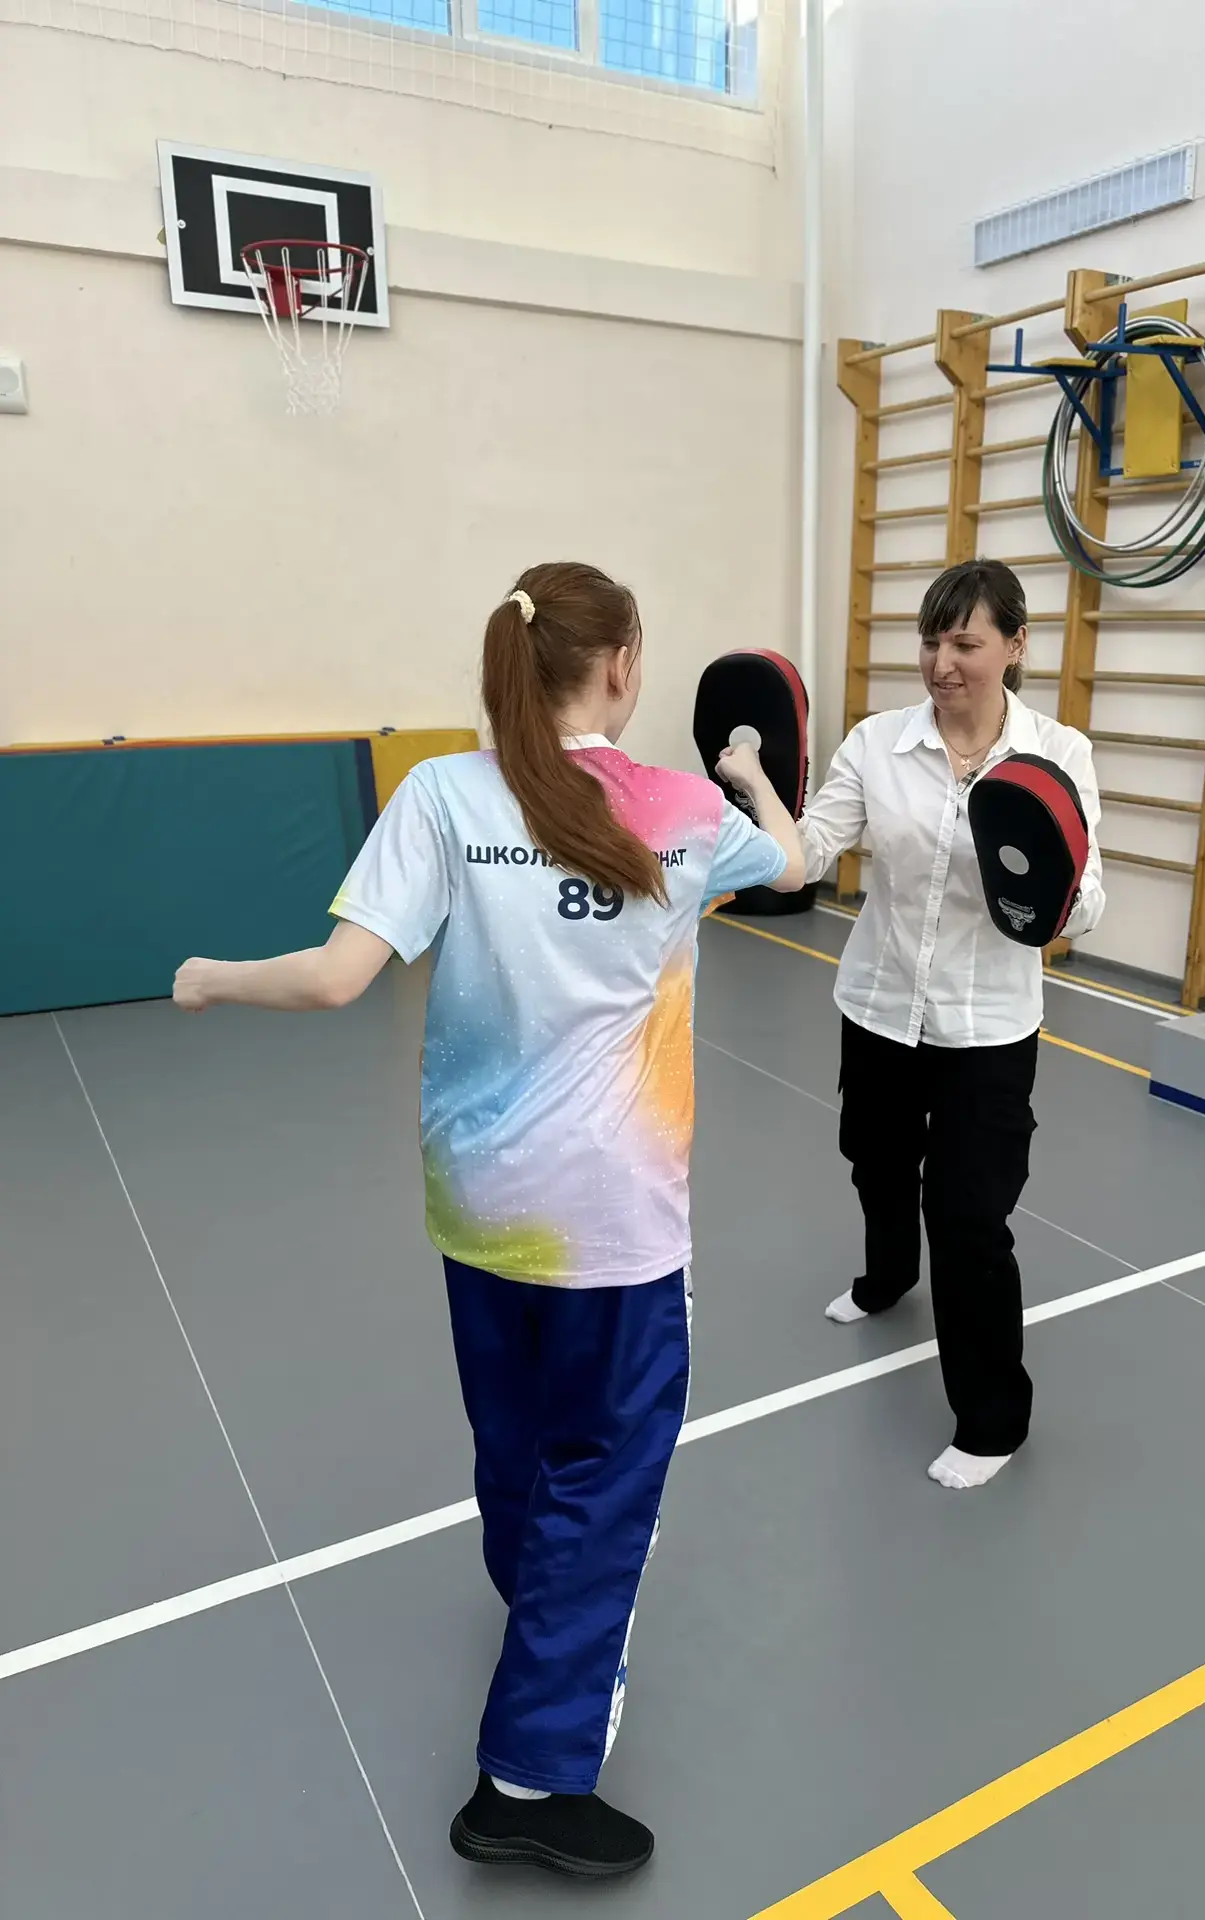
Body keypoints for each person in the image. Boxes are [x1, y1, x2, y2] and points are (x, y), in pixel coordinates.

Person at [172, 562, 806, 1879]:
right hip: (618, 1224)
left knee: (516, 1435)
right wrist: (752, 775)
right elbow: (799, 863)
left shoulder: (443, 795)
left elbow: (337, 978)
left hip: (478, 1208)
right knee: (605, 1477)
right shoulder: (684, 811)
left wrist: (212, 977)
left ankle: (533, 1599)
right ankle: (528, 1778)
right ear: (622, 667)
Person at [795, 558, 1104, 1493]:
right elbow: (808, 850)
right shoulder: (878, 744)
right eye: (931, 642)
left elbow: (1087, 898)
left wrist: (1047, 894)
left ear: (1015, 645)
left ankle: (993, 1421)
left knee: (970, 1218)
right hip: (880, 1006)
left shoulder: (1059, 755)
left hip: (989, 1030)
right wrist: (752, 795)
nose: (942, 663)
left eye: (965, 642)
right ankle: (887, 1278)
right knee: (876, 1162)